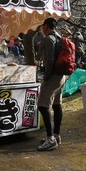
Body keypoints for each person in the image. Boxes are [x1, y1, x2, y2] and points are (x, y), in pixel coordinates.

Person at [37, 17, 66, 151]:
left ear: (46, 26)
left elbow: (49, 60)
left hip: (53, 76)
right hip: (61, 75)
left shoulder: (49, 39)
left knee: (43, 106)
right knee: (56, 104)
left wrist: (46, 76)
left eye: (43, 26)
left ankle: (50, 139)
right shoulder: (60, 37)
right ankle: (56, 135)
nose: (42, 28)